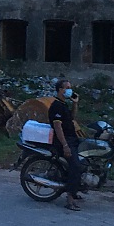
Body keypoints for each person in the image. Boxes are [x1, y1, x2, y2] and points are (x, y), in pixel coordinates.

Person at [48, 79, 86, 211]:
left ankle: (75, 188)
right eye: (67, 87)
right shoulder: (56, 106)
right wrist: (65, 146)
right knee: (75, 166)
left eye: (70, 87)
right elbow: (57, 127)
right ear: (60, 90)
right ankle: (70, 200)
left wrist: (75, 104)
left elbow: (71, 118)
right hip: (64, 141)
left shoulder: (63, 104)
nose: (70, 90)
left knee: (85, 160)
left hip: (72, 139)